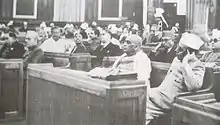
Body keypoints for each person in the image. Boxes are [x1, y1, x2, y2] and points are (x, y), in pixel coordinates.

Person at [145, 33, 206, 125]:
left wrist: (185, 64)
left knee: (138, 108)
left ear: (189, 52)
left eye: (180, 49)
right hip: (158, 96)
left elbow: (194, 86)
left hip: (167, 102)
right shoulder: (176, 60)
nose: (176, 50)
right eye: (177, 47)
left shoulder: (197, 65)